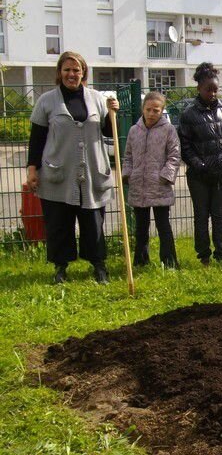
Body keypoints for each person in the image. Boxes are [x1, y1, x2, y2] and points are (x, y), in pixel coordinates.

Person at [26, 51, 119, 284]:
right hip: (58, 172)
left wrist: (113, 114)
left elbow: (109, 132)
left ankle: (99, 266)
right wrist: (32, 169)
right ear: (59, 73)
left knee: (93, 221)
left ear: (83, 72)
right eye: (67, 70)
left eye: (76, 70)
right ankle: (60, 268)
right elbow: (37, 139)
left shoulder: (97, 98)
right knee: (59, 222)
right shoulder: (46, 101)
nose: (72, 74)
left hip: (91, 173)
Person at [178, 62, 222, 265]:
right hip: (199, 177)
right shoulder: (188, 114)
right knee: (201, 216)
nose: (212, 93)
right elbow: (184, 146)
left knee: (219, 216)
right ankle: (204, 256)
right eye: (208, 89)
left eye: (215, 89)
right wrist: (199, 165)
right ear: (199, 88)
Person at [122, 91, 181, 268]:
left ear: (162, 111)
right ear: (143, 109)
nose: (151, 113)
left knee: (163, 226)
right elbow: (128, 156)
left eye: (156, 110)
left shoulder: (169, 130)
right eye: (148, 109)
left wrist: (165, 176)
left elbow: (174, 155)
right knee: (141, 227)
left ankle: (169, 261)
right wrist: (127, 174)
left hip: (159, 186)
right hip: (138, 186)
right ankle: (141, 261)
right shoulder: (134, 131)